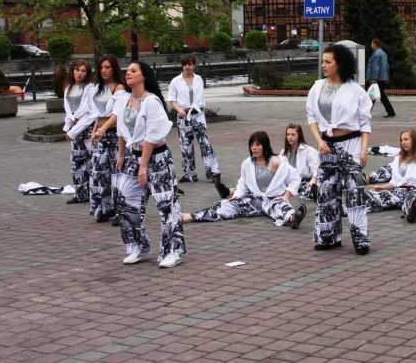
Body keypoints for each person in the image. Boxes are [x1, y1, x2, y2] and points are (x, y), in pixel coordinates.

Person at [112, 61, 185, 268]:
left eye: (133, 70)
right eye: (127, 70)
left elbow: (152, 136)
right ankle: (138, 246)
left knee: (167, 205)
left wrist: (143, 166)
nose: (128, 73)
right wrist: (121, 155)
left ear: (143, 76)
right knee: (126, 203)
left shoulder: (151, 101)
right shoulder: (124, 100)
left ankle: (173, 250)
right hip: (133, 157)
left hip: (157, 159)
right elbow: (121, 130)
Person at [306, 44, 372, 255]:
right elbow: (311, 117)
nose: (323, 65)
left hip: (350, 145)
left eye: (328, 61)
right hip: (326, 147)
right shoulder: (317, 87)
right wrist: (318, 141)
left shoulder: (356, 90)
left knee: (354, 192)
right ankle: (328, 238)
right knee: (326, 192)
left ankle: (360, 240)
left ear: (340, 64)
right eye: (323, 61)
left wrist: (363, 150)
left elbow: (365, 123)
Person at [181, 131, 306, 228]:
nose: (254, 148)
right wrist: (237, 195)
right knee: (226, 206)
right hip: (255, 200)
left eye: (258, 145)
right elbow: (243, 183)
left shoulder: (276, 162)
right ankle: (188, 216)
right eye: (252, 145)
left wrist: (287, 195)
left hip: (273, 199)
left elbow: (295, 178)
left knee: (282, 208)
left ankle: (293, 218)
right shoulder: (247, 163)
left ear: (265, 146)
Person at [167, 54, 227, 197]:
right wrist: (179, 110)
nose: (187, 67)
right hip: (183, 115)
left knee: (204, 143)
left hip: (197, 113)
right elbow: (172, 99)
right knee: (186, 145)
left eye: (189, 64)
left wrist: (203, 115)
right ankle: (190, 173)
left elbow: (202, 98)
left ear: (194, 65)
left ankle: (213, 171)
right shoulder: (175, 81)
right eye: (185, 64)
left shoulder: (198, 79)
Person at [88, 55, 128, 223]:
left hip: (114, 134)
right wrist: (95, 130)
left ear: (114, 69)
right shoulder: (98, 88)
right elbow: (96, 113)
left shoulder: (118, 88)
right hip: (101, 134)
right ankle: (105, 207)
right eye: (101, 67)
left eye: (107, 67)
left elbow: (117, 113)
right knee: (99, 171)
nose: (104, 71)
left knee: (117, 172)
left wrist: (103, 129)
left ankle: (121, 210)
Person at [365, 129, 416, 223]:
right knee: (369, 196)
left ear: (415, 140)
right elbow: (395, 181)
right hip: (397, 191)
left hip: (414, 190)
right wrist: (382, 187)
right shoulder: (398, 158)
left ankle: (413, 213)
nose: (403, 142)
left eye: (406, 139)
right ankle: (348, 209)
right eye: (401, 140)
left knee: (413, 199)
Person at [63, 59, 96, 205]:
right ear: (73, 71)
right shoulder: (68, 87)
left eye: (83, 71)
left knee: (91, 161)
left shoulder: (89, 88)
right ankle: (80, 193)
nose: (79, 73)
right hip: (75, 130)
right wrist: (69, 126)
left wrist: (76, 127)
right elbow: (68, 109)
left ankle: (93, 192)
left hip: (87, 128)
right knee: (76, 161)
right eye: (77, 70)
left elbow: (91, 111)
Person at [280, 124, 319, 202]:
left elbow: (317, 168)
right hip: (290, 181)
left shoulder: (308, 150)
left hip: (305, 180)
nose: (290, 137)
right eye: (288, 134)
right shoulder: (284, 151)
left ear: (299, 135)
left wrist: (314, 179)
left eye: (293, 135)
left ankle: (315, 192)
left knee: (307, 191)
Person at [366, 38, 395, 118]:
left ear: (375, 44)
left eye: (372, 44)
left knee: (374, 95)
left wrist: (374, 78)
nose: (371, 45)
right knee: (379, 95)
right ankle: (390, 111)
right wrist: (386, 77)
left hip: (378, 78)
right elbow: (386, 66)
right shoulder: (383, 53)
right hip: (382, 77)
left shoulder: (376, 54)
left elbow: (375, 67)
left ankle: (367, 112)